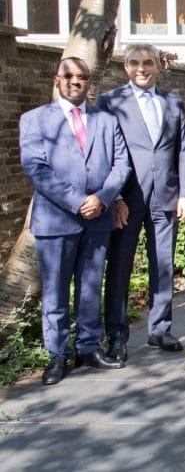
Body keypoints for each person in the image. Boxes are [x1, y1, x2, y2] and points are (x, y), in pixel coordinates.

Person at [20, 57, 131, 385]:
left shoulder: (106, 121)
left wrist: (102, 198)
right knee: (55, 290)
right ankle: (57, 354)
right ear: (57, 79)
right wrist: (78, 201)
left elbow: (122, 164)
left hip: (98, 217)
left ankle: (88, 347)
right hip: (57, 219)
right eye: (68, 77)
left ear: (89, 82)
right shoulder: (35, 120)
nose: (75, 82)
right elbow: (36, 168)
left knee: (89, 286)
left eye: (81, 78)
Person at [98, 44, 185, 360]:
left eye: (148, 62)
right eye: (135, 63)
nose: (142, 68)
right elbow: (103, 155)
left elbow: (183, 149)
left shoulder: (172, 102)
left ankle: (160, 329)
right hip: (126, 199)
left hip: (165, 197)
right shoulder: (110, 102)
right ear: (125, 67)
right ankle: (116, 336)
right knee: (120, 267)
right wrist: (112, 199)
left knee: (163, 265)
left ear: (158, 66)